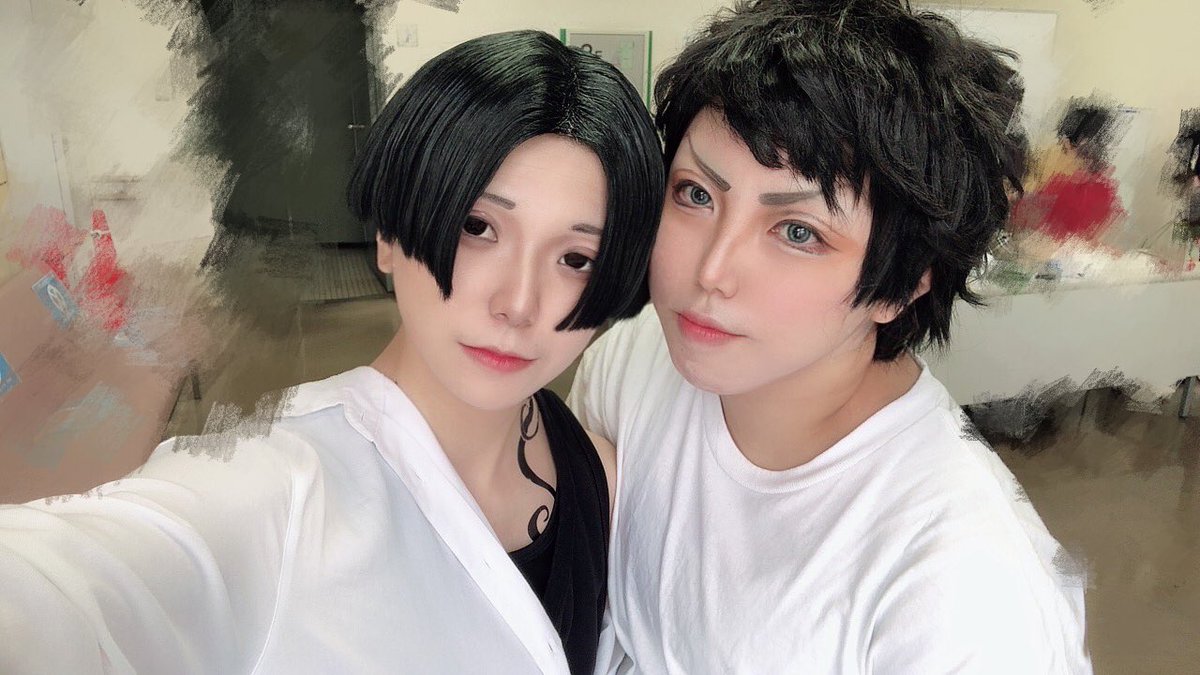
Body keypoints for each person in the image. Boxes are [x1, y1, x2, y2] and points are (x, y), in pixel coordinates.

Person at [0, 30, 663, 675]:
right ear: (388, 236)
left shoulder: (599, 476)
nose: (519, 303)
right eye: (477, 226)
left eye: (577, 258)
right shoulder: (272, 486)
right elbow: (74, 587)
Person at [567, 1, 1092, 672]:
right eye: (696, 194)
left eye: (797, 232)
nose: (711, 271)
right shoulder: (634, 357)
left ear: (902, 285)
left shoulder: (961, 589)